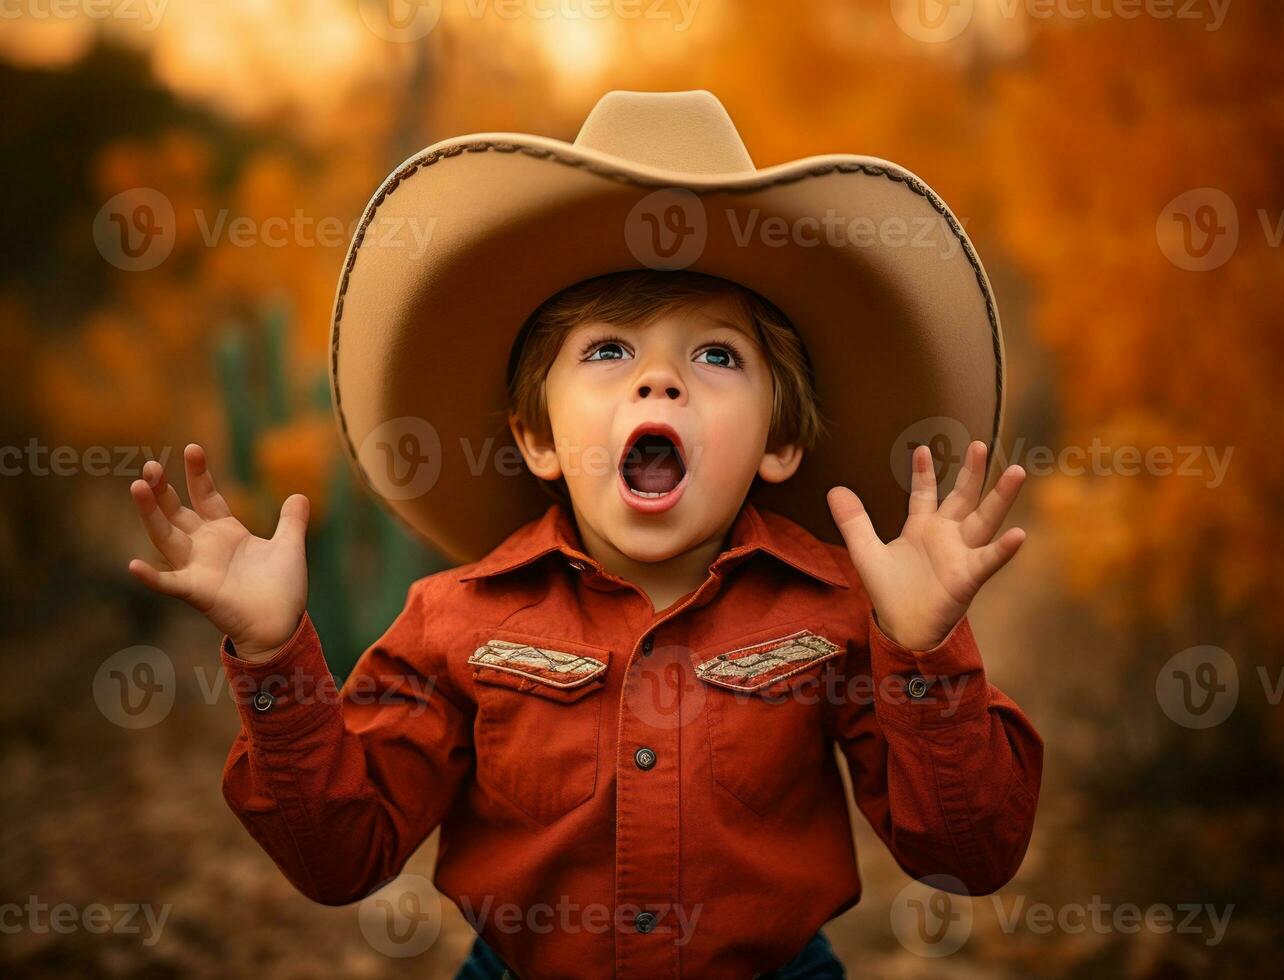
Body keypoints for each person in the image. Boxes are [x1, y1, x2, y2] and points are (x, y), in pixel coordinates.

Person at [127, 90, 1043, 979]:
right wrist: (270, 649)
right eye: (607, 351)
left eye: (716, 355)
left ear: (779, 440)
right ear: (536, 437)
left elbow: (970, 855)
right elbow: (339, 861)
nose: (659, 382)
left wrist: (923, 650)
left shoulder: (837, 611)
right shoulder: (454, 622)